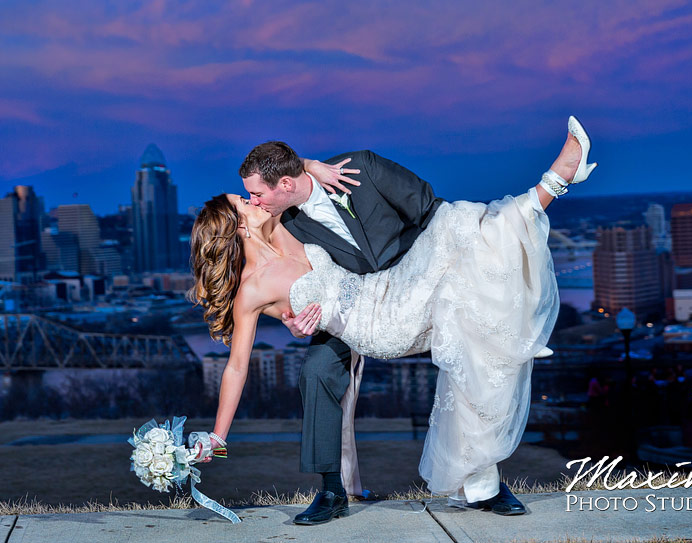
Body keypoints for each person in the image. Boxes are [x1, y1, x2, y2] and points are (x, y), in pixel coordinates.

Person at [189, 117, 596, 524]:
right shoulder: (260, 273)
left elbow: (288, 174)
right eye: (246, 200)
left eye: (252, 195)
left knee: (470, 250)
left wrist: (310, 165)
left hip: (392, 283)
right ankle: (331, 491)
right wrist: (219, 437)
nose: (253, 200)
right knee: (316, 369)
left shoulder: (284, 223)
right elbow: (237, 366)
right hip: (378, 322)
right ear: (239, 226)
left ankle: (483, 482)